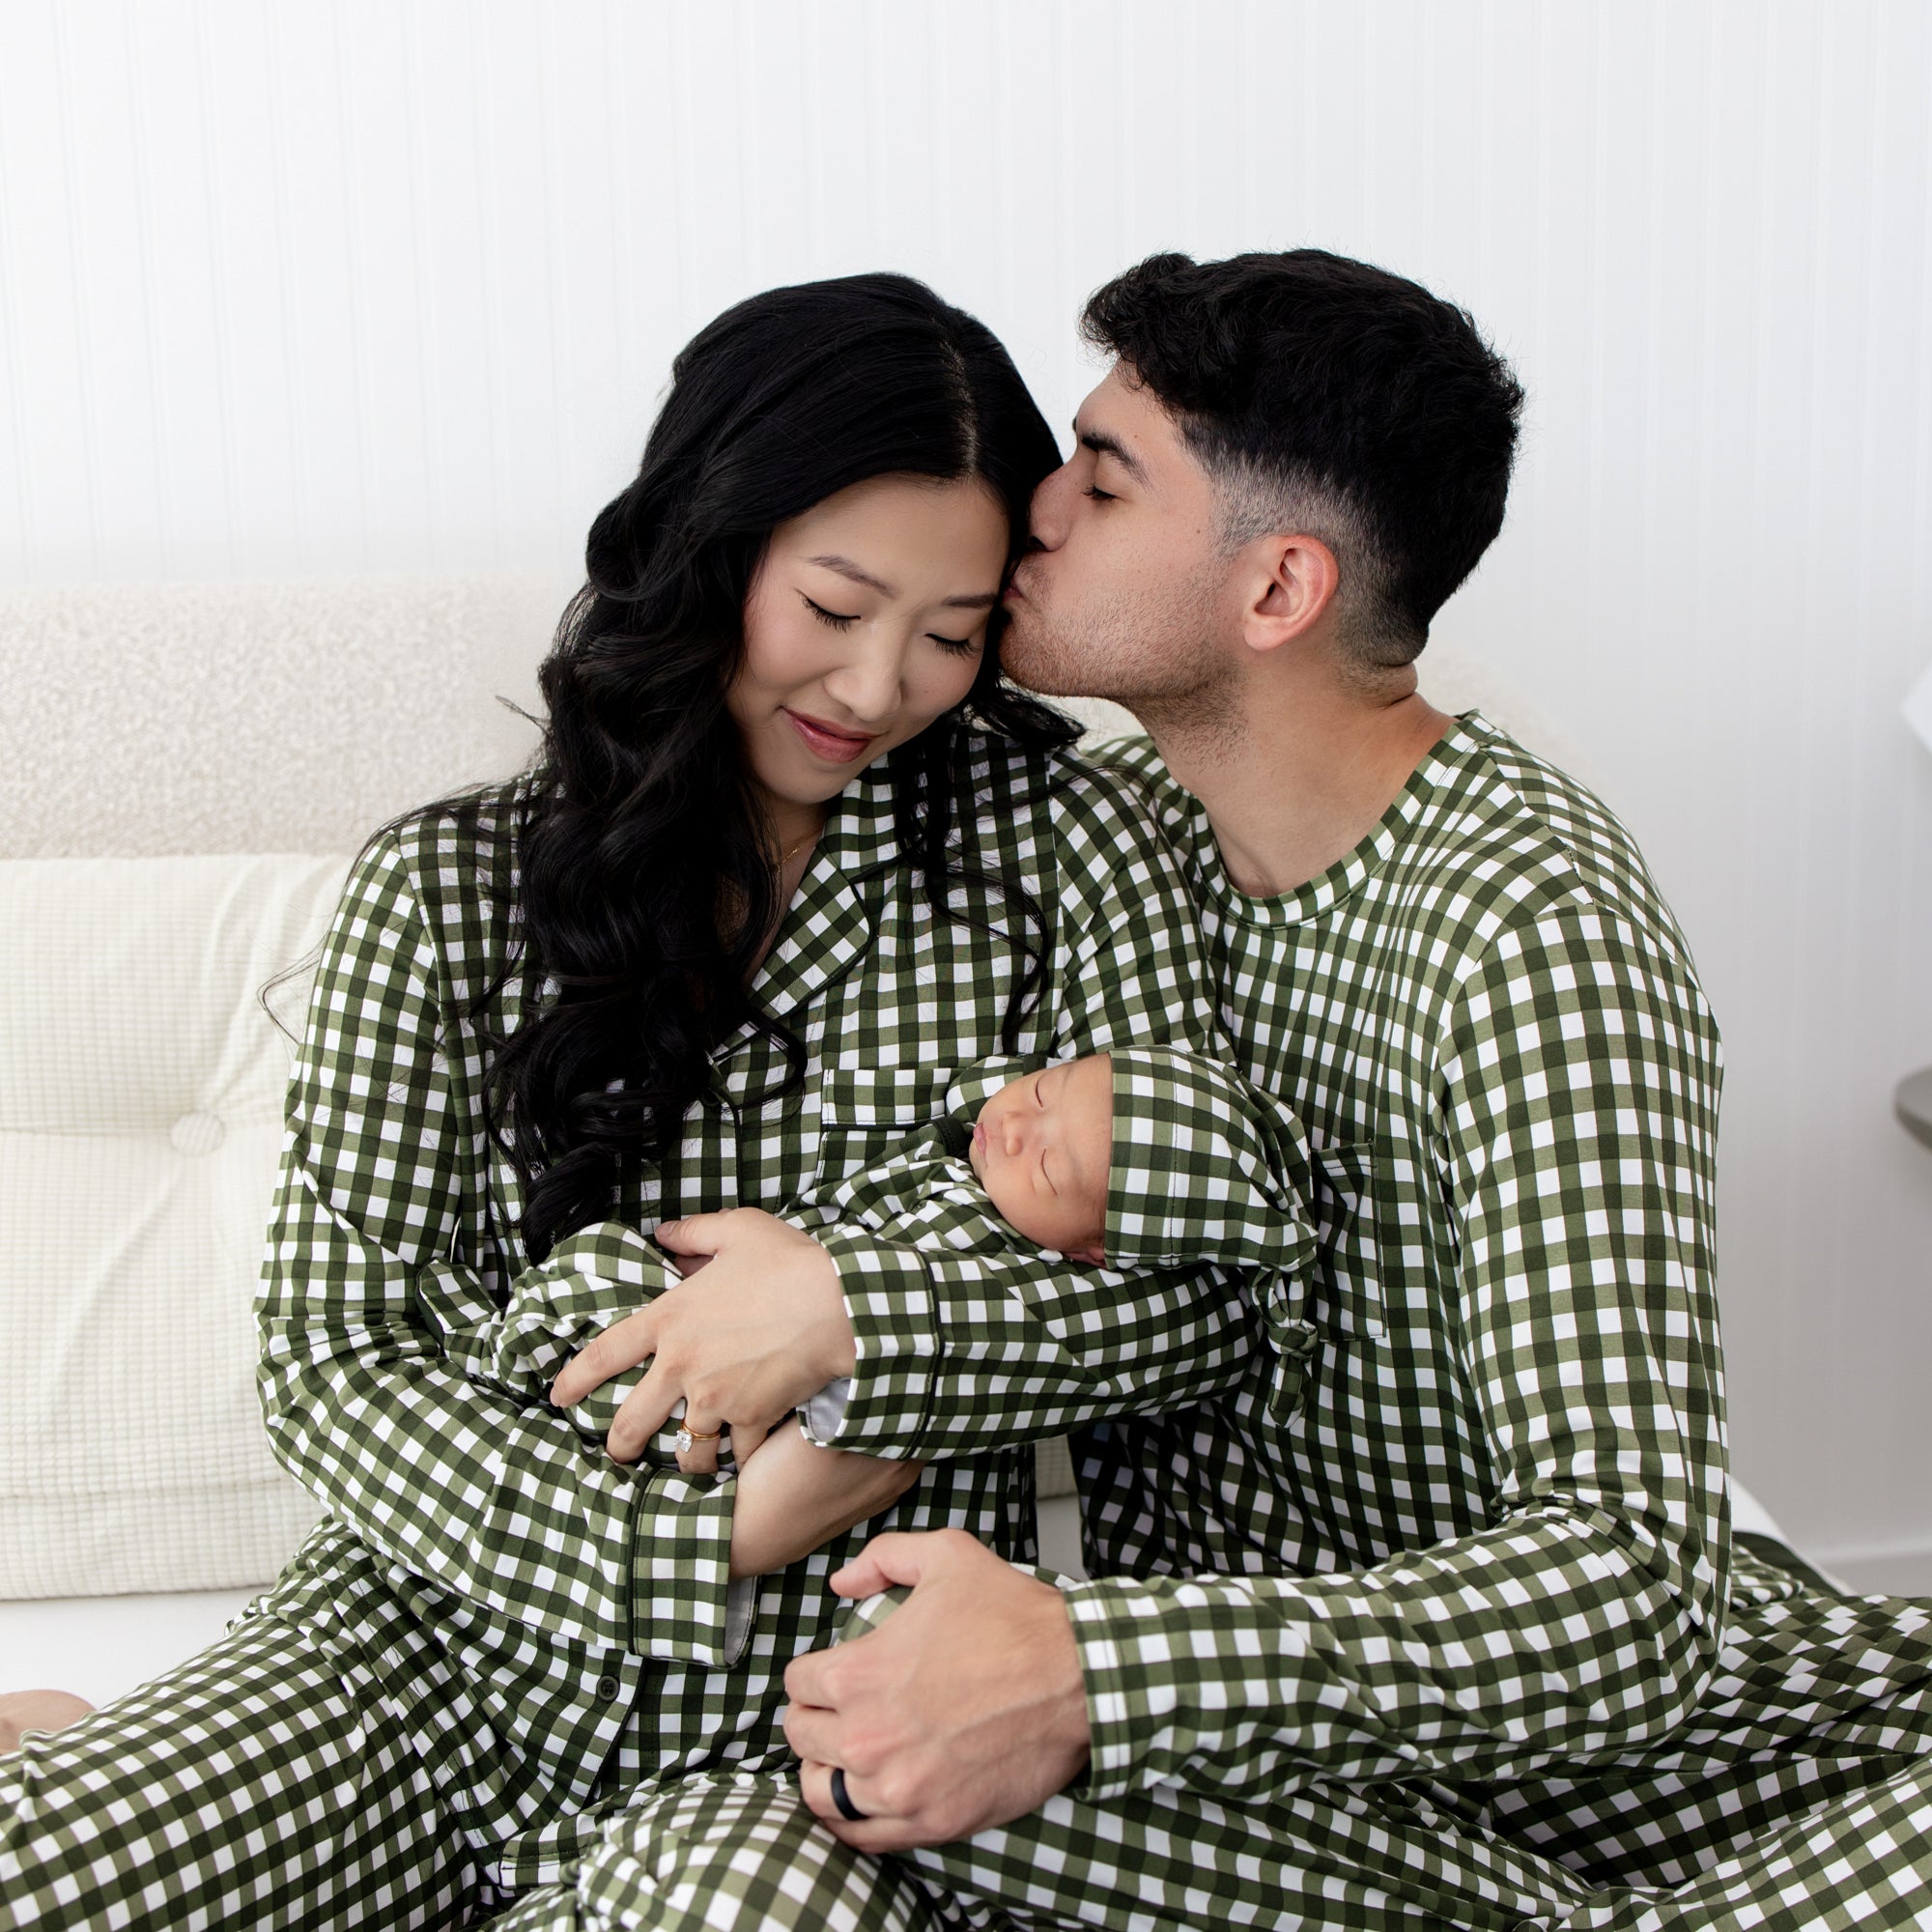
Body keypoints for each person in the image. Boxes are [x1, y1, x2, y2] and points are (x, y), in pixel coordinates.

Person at [532, 252, 1932, 1930]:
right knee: (838, 1795)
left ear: (1275, 591)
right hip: (1283, 1780)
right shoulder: (1115, 843)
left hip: (1636, 1775)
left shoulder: (1530, 930)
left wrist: (1091, 1670)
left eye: (1105, 480)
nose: (1033, 511)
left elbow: (1633, 1593)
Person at [0, 273, 1277, 1929]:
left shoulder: (1075, 856)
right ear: (713, 542)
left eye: (954, 634)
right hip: (423, 1659)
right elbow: (333, 1360)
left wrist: (853, 1319)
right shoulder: (452, 888)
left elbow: (1199, 1297)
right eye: (832, 603)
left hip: (809, 1720)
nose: (881, 685)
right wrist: (700, 1543)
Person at [494, 1045, 1314, 1459]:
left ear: (1099, 1253)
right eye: (1041, 1088)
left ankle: (528, 1354)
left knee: (606, 1297)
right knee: (600, 1266)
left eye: (1051, 1169)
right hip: (709, 1299)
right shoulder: (957, 1143)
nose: (1018, 1127)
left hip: (753, 1401)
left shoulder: (1008, 1275)